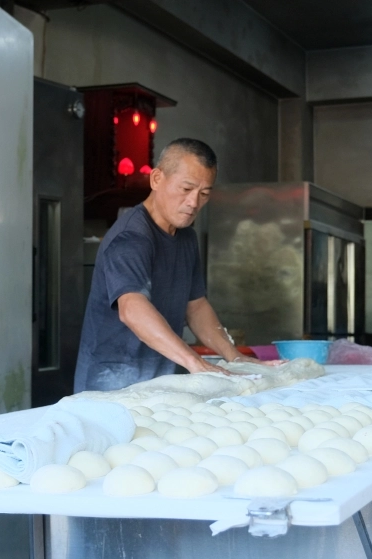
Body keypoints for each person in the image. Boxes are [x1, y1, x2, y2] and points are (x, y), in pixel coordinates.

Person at [74, 138, 274, 393]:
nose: (193, 202)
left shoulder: (186, 237)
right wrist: (194, 361)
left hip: (161, 382)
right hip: (112, 385)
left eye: (204, 194)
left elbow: (196, 306)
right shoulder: (131, 237)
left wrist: (233, 356)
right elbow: (132, 309)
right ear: (156, 179)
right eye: (186, 189)